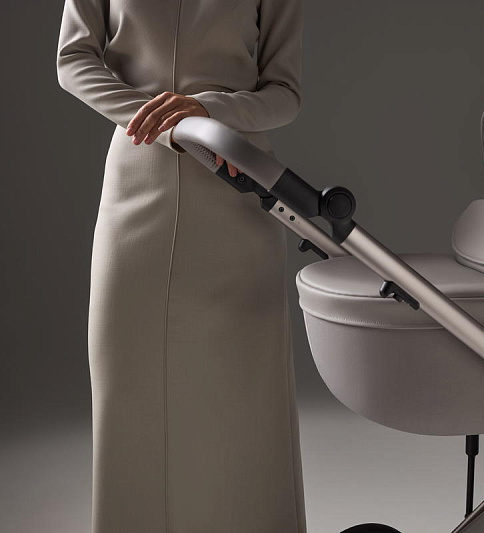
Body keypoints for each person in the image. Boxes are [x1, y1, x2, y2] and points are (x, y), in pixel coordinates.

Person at [56, 1, 305, 531]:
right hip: (136, 180)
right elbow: (72, 59)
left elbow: (285, 94)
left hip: (236, 182)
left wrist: (208, 110)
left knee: (243, 395)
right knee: (129, 387)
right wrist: (153, 117)